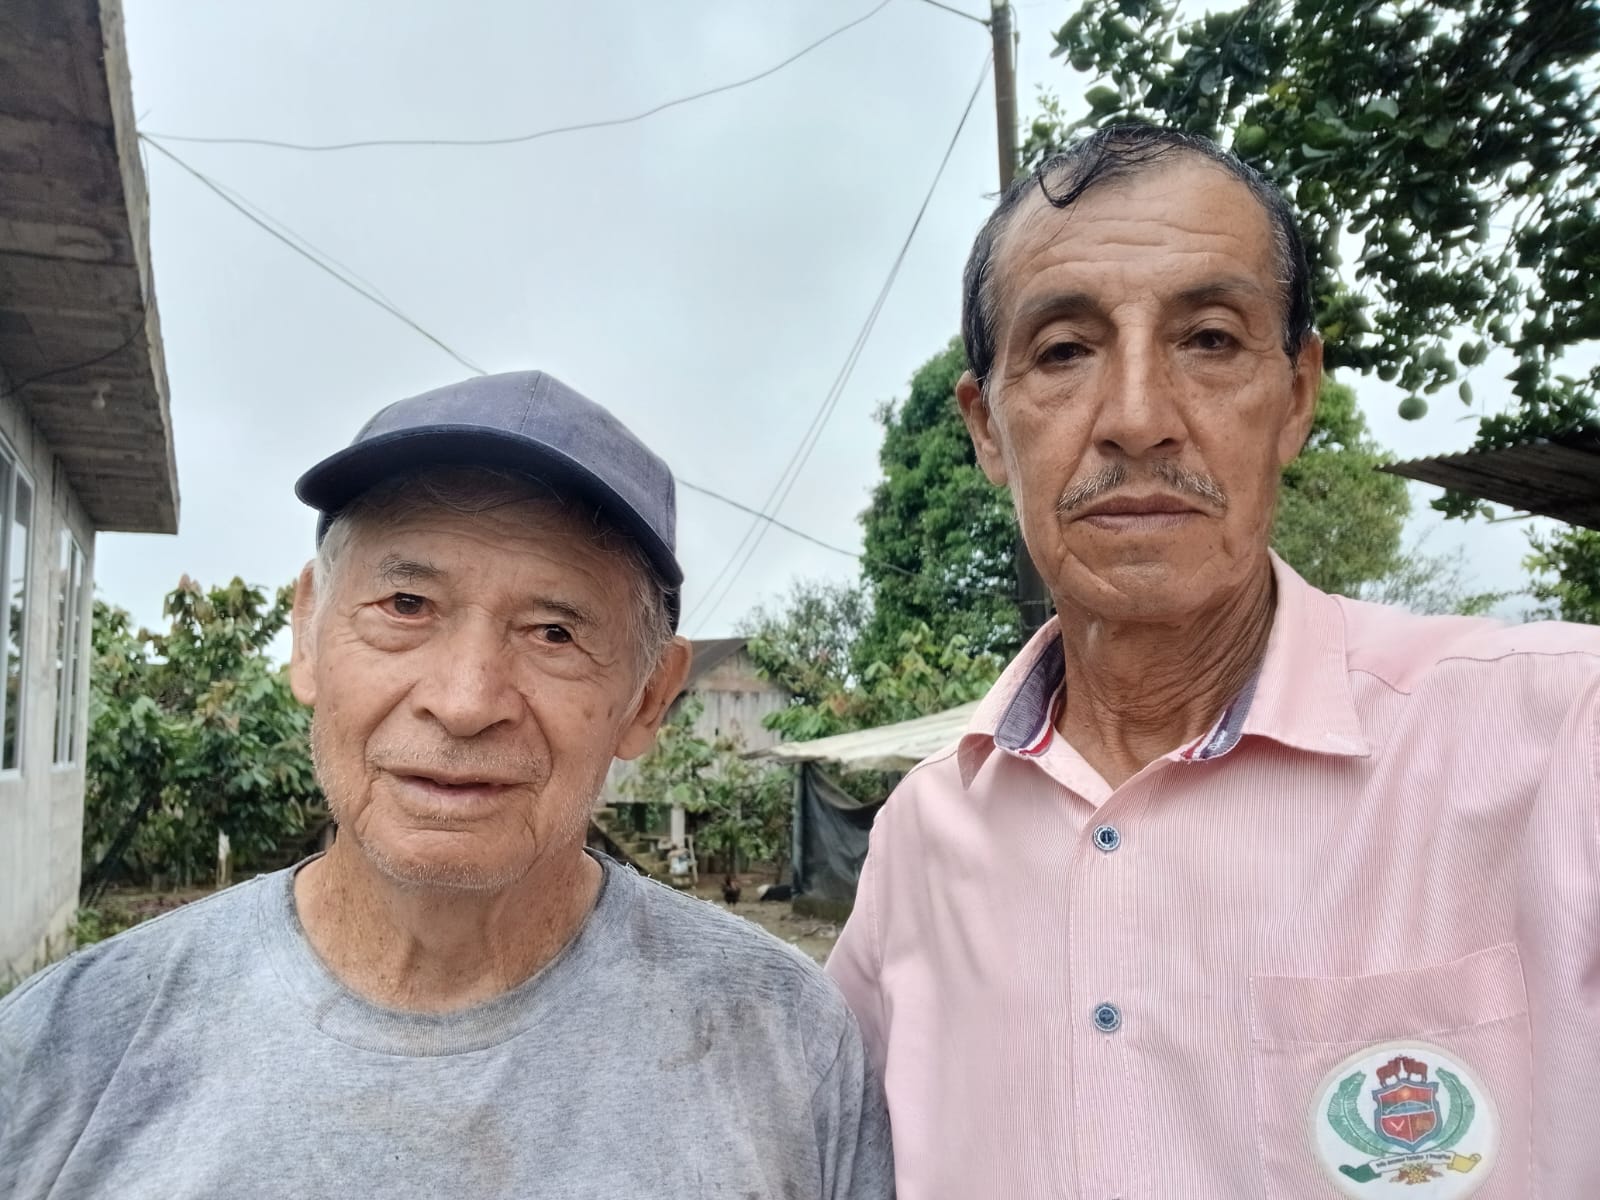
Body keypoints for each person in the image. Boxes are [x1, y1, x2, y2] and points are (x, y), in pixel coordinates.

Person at [825, 125, 1600, 1199]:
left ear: (1296, 397)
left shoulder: (1561, 738)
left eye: (1209, 339)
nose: (1139, 420)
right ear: (988, 429)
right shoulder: (924, 836)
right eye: (1064, 351)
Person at [1, 371, 893, 1198]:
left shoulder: (787, 1046)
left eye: (554, 632)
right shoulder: (61, 1052)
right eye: (406, 606)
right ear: (308, 632)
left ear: (649, 698)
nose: (465, 703)